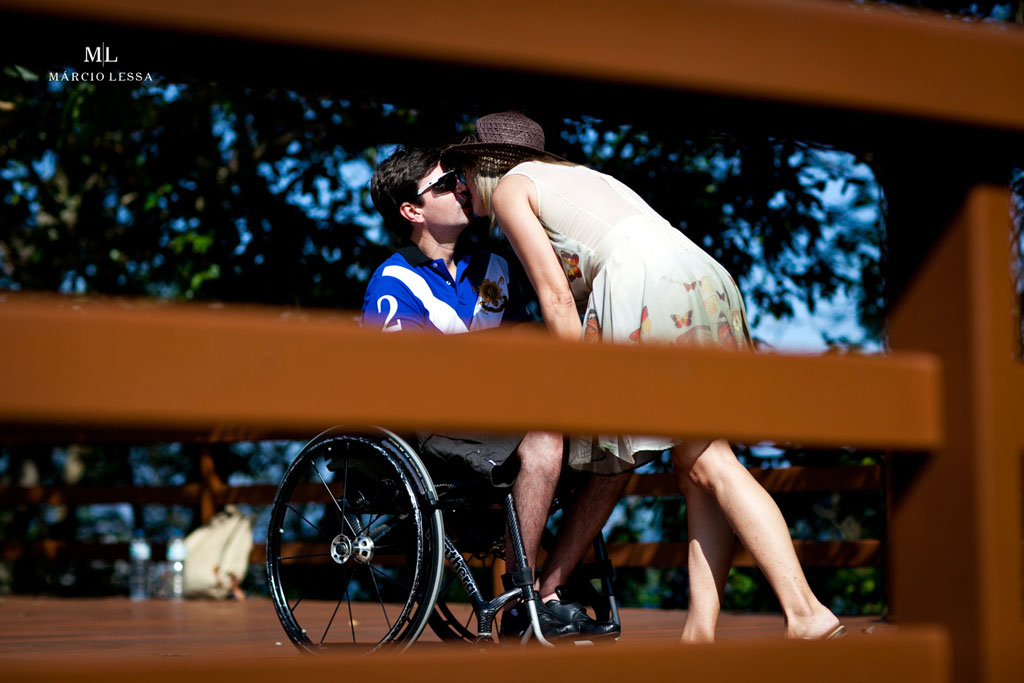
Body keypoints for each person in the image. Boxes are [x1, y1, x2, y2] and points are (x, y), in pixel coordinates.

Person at [441, 112, 846, 642]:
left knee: (711, 461)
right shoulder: (582, 178)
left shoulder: (515, 189)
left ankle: (806, 611)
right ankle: (699, 635)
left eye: (462, 175)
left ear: (484, 167)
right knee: (699, 463)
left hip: (647, 288)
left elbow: (557, 297)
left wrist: (572, 386)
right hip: (703, 278)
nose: (460, 188)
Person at [361, 146, 625, 641]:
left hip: (501, 415)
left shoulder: (498, 267)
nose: (462, 186)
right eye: (443, 185)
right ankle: (524, 602)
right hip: (436, 429)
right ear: (411, 212)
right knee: (544, 437)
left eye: (459, 178)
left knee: (619, 445)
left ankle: (550, 586)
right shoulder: (394, 281)